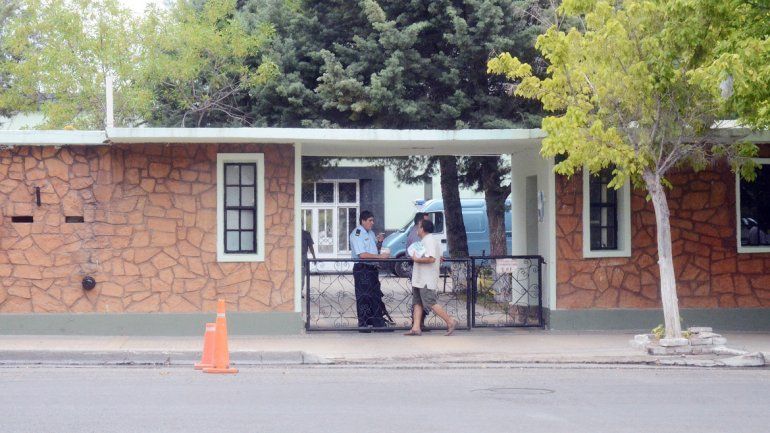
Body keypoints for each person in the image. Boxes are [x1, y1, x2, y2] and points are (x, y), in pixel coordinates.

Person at [404, 219, 458, 336]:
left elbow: (431, 258)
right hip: (419, 278)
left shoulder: (430, 241)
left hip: (426, 279)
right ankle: (416, 328)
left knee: (430, 302)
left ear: (422, 229)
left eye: (418, 227)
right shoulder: (424, 240)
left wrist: (417, 259)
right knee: (417, 303)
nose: (417, 229)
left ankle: (450, 321)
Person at [349, 210, 390, 330]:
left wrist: (379, 242)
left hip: (372, 268)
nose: (372, 223)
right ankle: (364, 324)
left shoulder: (370, 233)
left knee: (375, 295)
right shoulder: (357, 233)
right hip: (362, 268)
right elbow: (362, 254)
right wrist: (380, 257)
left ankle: (377, 322)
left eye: (373, 220)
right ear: (363, 221)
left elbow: (373, 250)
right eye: (370, 220)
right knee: (364, 297)